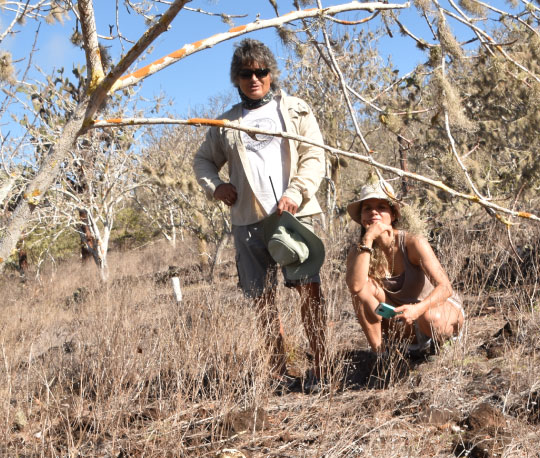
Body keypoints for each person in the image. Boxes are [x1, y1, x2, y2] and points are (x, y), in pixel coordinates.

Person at [193, 39, 328, 392]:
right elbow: (203, 160)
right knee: (261, 300)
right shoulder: (225, 122)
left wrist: (296, 191)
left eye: (261, 71)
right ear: (236, 78)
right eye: (245, 73)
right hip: (247, 221)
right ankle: (277, 373)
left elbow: (316, 156)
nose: (254, 78)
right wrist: (216, 187)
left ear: (271, 73)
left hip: (293, 217)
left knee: (308, 290)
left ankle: (323, 368)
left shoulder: (296, 110)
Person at [344, 182, 464, 356]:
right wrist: (368, 239)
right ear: (362, 218)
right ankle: (381, 357)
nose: (374, 212)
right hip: (401, 322)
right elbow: (356, 288)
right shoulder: (360, 250)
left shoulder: (412, 242)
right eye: (367, 208)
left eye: (381, 207)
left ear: (393, 215)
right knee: (363, 289)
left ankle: (444, 347)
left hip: (432, 312)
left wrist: (417, 310)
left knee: (431, 318)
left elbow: (445, 287)